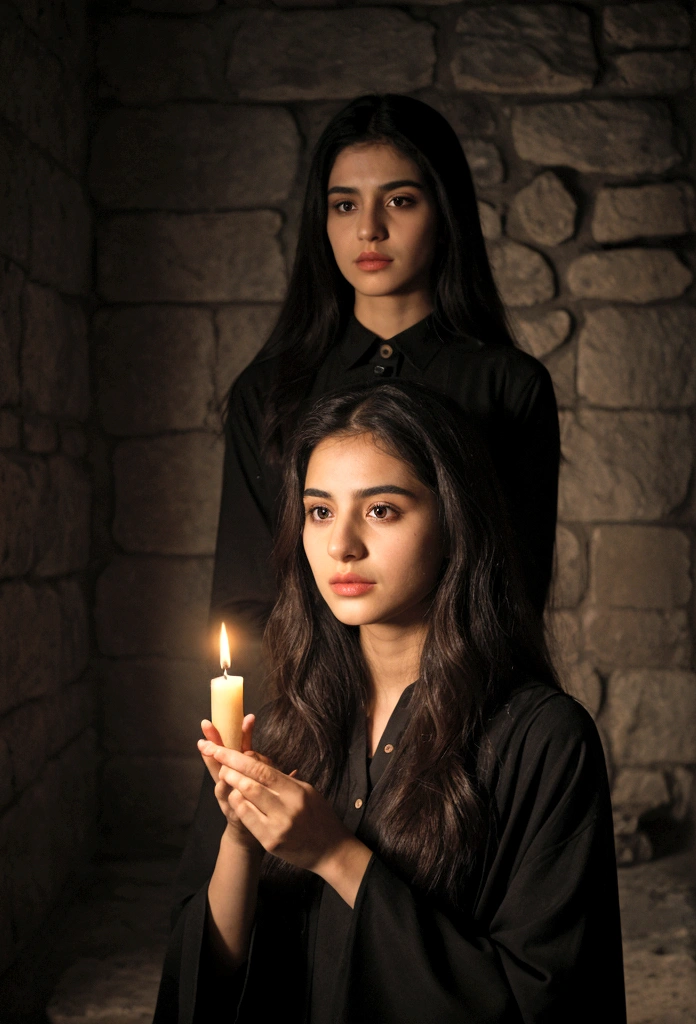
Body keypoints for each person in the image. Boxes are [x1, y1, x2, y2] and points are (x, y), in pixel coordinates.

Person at [154, 384, 625, 1024]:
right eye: (319, 512)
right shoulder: (285, 716)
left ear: (453, 518)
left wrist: (333, 855)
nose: (341, 545)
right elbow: (205, 985)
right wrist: (240, 839)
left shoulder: (544, 741)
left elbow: (541, 1002)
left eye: (381, 510)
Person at [210, 94, 560, 708]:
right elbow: (244, 596)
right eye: (345, 204)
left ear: (444, 211)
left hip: (455, 722)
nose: (369, 229)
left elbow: (515, 595)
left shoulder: (508, 387)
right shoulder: (267, 390)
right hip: (299, 719)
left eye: (399, 200)